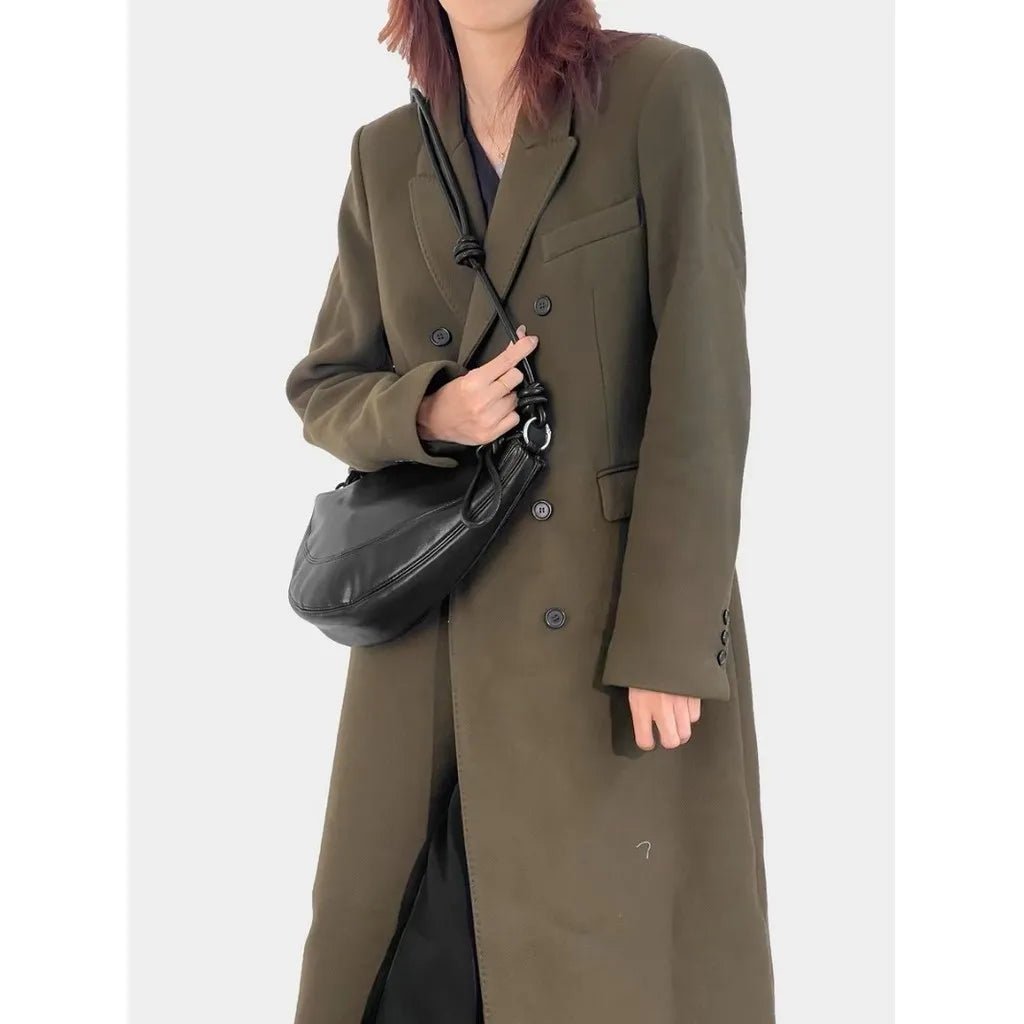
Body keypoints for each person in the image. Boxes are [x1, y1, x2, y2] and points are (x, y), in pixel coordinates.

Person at [285, 2, 774, 1022]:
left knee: (609, 975)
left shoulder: (660, 92)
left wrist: (669, 640)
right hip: (430, 655)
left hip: (609, 638)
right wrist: (426, 409)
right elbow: (325, 387)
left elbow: (703, 383)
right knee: (405, 971)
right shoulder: (386, 155)